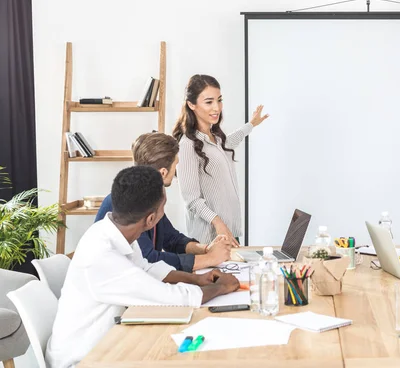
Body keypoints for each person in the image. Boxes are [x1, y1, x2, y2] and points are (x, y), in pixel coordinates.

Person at [46, 166, 239, 368]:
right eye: (164, 207)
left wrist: (197, 279)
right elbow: (172, 298)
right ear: (150, 219)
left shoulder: (113, 232)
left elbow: (146, 269)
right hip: (82, 360)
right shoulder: (102, 256)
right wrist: (221, 288)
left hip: (108, 344)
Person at [95, 132, 232, 272]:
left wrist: (206, 249)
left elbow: (171, 239)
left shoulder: (149, 197)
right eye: (175, 165)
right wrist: (209, 259)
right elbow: (148, 260)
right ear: (163, 173)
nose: (177, 172)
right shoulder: (125, 203)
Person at [173, 74, 269, 244]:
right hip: (209, 238)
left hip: (228, 231)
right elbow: (191, 199)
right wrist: (218, 223)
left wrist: (251, 124)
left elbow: (230, 141)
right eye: (209, 102)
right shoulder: (187, 145)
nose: (217, 108)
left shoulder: (215, 138)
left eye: (219, 100)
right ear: (191, 104)